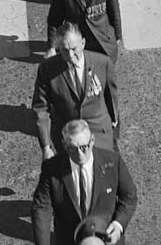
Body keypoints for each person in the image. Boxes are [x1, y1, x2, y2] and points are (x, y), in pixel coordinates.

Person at [31, 120, 138, 245]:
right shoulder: (52, 169)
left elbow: (129, 197)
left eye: (84, 147)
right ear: (63, 144)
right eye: (72, 149)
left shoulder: (113, 162)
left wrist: (118, 225)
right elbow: (42, 207)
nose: (80, 155)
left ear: (92, 141)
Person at [32, 22, 119, 156]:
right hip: (68, 139)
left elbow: (112, 99)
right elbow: (41, 108)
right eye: (65, 50)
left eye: (74, 49)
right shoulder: (47, 69)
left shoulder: (102, 63)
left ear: (83, 43)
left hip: (99, 135)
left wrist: (114, 133)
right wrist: (46, 146)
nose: (71, 55)